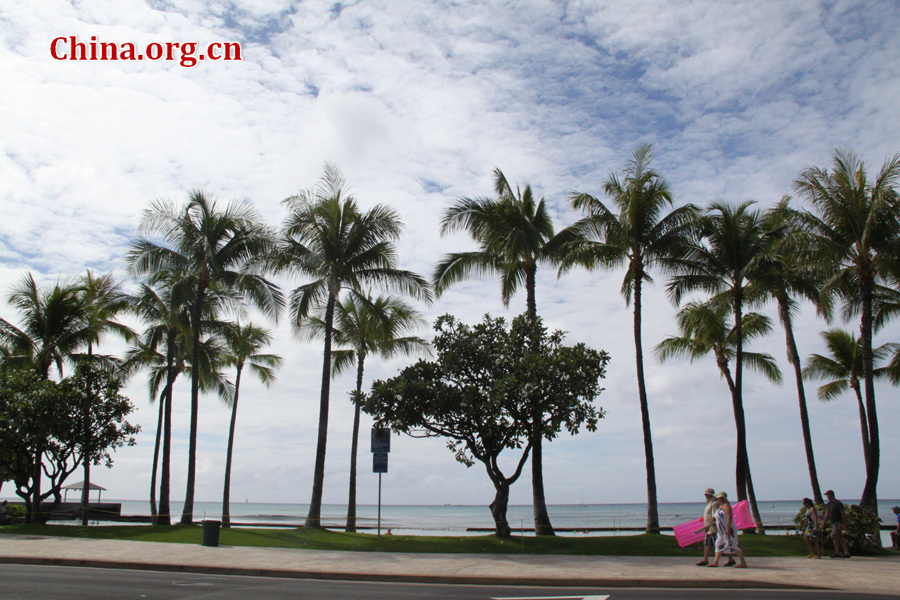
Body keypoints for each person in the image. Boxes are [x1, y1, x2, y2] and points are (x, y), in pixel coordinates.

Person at [707, 491, 747, 568]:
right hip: (721, 530)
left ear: (722, 498)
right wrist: (714, 519)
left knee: (734, 544)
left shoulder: (727, 506)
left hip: (728, 529)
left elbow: (729, 517)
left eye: (718, 498)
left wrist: (728, 529)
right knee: (718, 543)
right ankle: (716, 562)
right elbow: (719, 516)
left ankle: (743, 562)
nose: (717, 499)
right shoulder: (720, 506)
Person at [824, 490, 851, 558]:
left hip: (838, 522)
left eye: (828, 495)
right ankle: (846, 552)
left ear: (831, 495)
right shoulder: (829, 503)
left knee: (834, 535)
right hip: (832, 522)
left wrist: (844, 523)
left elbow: (842, 513)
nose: (827, 497)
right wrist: (824, 521)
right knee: (840, 537)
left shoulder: (838, 503)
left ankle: (837, 552)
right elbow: (827, 513)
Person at [695, 488, 717, 566]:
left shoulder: (714, 503)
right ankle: (705, 559)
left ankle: (730, 558)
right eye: (705, 494)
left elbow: (714, 515)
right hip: (707, 527)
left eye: (707, 494)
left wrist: (709, 525)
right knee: (707, 544)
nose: (705, 495)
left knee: (717, 544)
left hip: (713, 528)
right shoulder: (708, 503)